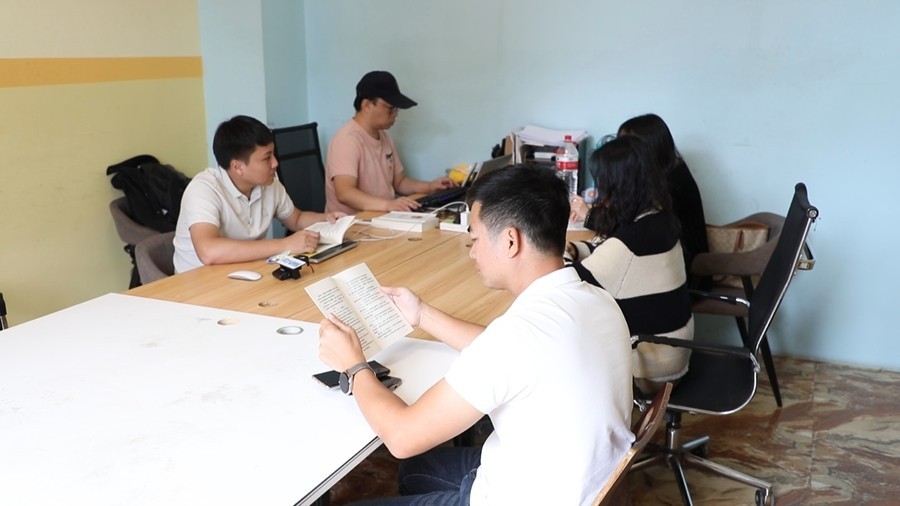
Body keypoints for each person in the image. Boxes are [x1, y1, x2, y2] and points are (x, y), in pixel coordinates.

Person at [318, 165, 633, 505]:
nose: (472, 252)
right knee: (414, 471)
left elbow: (401, 436)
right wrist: (421, 314)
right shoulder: (596, 299)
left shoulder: (514, 339)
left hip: (523, 496)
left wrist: (354, 365)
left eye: (475, 240)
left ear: (510, 241)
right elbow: (507, 352)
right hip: (576, 481)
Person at [567, 136, 694, 394]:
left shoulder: (635, 240)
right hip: (670, 351)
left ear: (619, 187)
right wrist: (575, 249)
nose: (599, 193)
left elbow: (570, 282)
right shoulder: (656, 216)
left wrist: (557, 252)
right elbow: (609, 253)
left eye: (602, 184)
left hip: (652, 370)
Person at [173, 115, 344, 273]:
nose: (275, 163)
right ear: (238, 167)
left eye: (273, 154)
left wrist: (327, 219)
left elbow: (296, 219)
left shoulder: (270, 183)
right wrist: (285, 244)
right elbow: (209, 251)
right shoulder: (203, 189)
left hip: (246, 272)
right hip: (198, 283)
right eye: (267, 158)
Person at [571, 114, 709, 288]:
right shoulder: (669, 172)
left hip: (684, 275)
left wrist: (590, 215)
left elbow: (630, 230)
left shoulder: (670, 186)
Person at [324, 70, 455, 214]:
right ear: (367, 105)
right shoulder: (347, 140)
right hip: (353, 223)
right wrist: (388, 205)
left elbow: (399, 183)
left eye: (396, 109)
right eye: (391, 108)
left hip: (382, 218)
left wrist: (431, 187)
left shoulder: (384, 137)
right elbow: (345, 193)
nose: (395, 114)